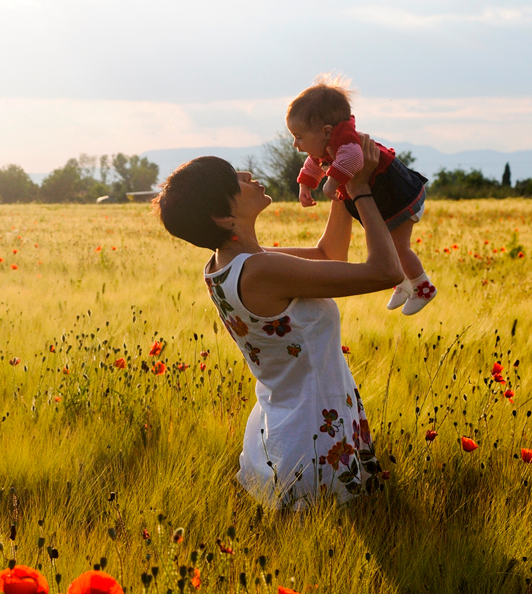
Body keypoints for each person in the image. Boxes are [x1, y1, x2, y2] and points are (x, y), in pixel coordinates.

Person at [154, 139, 400, 509]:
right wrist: (362, 190)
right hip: (315, 434)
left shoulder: (227, 266)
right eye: (232, 179)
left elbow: (328, 256)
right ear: (223, 217)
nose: (246, 174)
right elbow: (387, 271)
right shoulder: (261, 270)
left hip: (291, 421)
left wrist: (342, 181)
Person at [287, 77, 436, 315]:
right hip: (385, 197)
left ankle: (422, 285)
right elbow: (314, 163)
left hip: (401, 197)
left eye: (299, 137)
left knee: (398, 247)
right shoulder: (325, 143)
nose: (295, 144)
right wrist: (306, 184)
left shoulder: (346, 142)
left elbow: (354, 160)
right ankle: (403, 282)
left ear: (326, 132)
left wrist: (332, 182)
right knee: (386, 243)